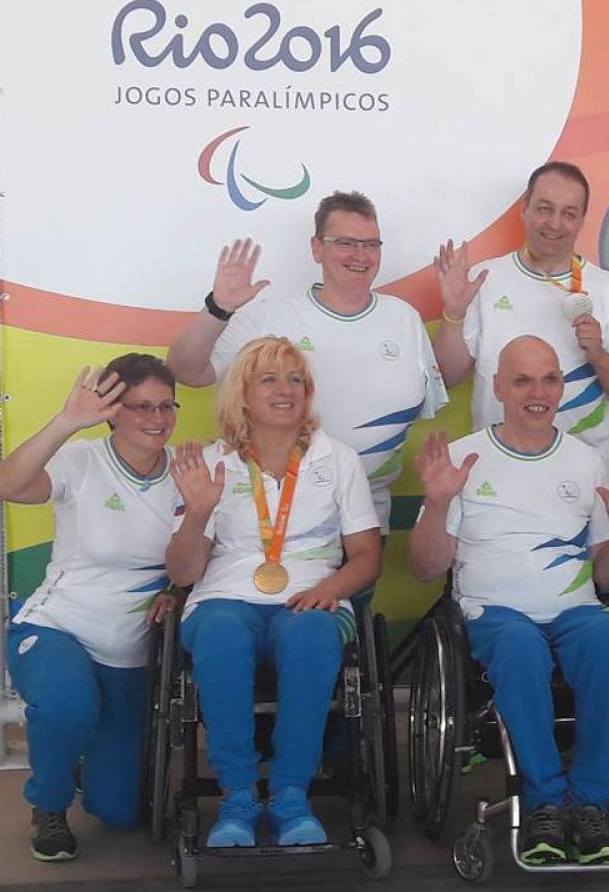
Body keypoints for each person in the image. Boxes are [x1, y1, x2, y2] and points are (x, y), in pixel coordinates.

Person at [407, 335, 609, 865]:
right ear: (498, 385)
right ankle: (546, 802)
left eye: (550, 378)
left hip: (574, 610)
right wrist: (437, 505)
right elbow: (425, 566)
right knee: (521, 648)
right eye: (523, 379)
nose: (538, 392)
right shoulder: (462, 459)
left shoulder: (584, 461)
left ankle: (592, 802)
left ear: (562, 386)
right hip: (494, 613)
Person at [165, 336, 383, 848]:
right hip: (224, 598)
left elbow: (368, 558)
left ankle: (290, 794)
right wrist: (197, 513)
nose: (286, 390)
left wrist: (331, 588)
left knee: (310, 634)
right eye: (269, 379)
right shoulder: (214, 462)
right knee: (218, 635)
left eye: (296, 380)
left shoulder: (339, 459)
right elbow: (182, 571)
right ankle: (238, 796)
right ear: (241, 394)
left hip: (313, 597)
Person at [0, 353, 186, 862]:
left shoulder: (190, 471)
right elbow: (6, 486)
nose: (157, 419)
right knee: (65, 702)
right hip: (59, 629)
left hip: (130, 654)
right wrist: (66, 422)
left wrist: (178, 591)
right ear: (113, 411)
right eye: (142, 406)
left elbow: (207, 551)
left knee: (120, 814)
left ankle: (78, 756)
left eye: (166, 406)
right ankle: (49, 804)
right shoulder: (81, 460)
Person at [166, 190, 447, 537]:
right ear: (316, 248)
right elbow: (186, 371)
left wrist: (456, 315)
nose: (361, 255)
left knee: (349, 592)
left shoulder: (404, 318)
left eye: (371, 244)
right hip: (274, 516)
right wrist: (218, 308)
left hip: (367, 518)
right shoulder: (270, 315)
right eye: (345, 242)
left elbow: (434, 395)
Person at [431, 161, 609, 466]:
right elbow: (448, 376)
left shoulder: (606, 290)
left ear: (582, 220)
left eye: (568, 214)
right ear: (524, 209)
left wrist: (599, 356)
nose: (555, 223)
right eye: (545, 209)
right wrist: (453, 315)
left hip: (579, 472)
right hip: (495, 464)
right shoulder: (485, 278)